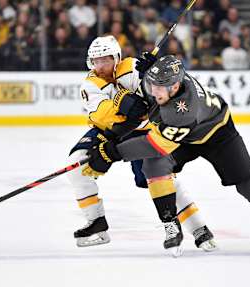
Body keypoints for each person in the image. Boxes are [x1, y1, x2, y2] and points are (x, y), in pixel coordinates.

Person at [82, 54, 250, 256]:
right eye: (152, 86)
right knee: (154, 167)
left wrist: (112, 153)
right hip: (187, 137)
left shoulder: (184, 111)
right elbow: (154, 90)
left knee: (249, 185)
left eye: (159, 89)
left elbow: (155, 144)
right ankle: (171, 225)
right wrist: (148, 74)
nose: (153, 92)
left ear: (175, 87)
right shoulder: (165, 82)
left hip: (218, 135)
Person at [67, 36, 217, 255]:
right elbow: (105, 115)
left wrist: (150, 75)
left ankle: (199, 228)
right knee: (77, 166)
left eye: (105, 59)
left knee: (158, 179)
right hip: (110, 131)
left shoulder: (133, 69)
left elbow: (159, 97)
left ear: (116, 58)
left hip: (144, 131)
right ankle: (97, 223)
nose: (100, 66)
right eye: (96, 61)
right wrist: (123, 101)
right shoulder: (90, 84)